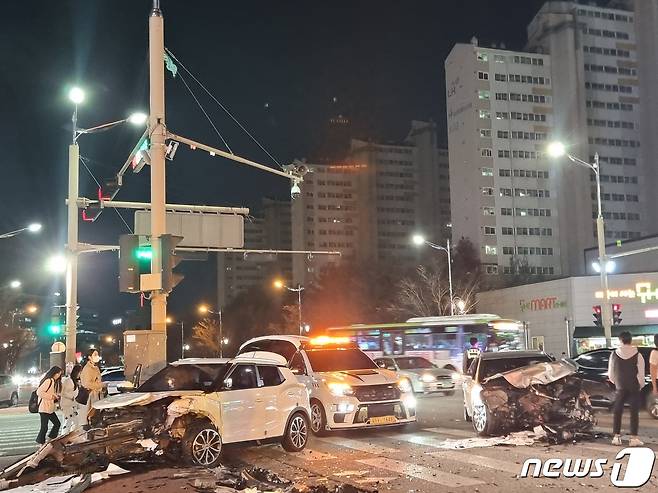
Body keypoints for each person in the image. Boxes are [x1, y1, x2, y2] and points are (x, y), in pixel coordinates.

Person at [608, 331, 645, 446]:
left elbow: (611, 374)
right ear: (630, 340)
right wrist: (640, 384)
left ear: (620, 340)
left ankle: (616, 437)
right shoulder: (638, 354)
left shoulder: (614, 354)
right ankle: (633, 438)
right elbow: (641, 373)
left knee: (617, 410)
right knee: (634, 412)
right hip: (633, 385)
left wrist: (617, 382)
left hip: (620, 386)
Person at [36, 366, 62, 444]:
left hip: (49, 408)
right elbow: (39, 392)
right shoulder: (49, 381)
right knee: (44, 427)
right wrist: (51, 397)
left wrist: (55, 396)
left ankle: (49, 440)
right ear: (55, 373)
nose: (59, 376)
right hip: (44, 408)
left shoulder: (52, 381)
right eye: (59, 374)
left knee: (56, 423)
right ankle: (41, 443)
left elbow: (48, 392)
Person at [79, 349, 103, 426]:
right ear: (90, 357)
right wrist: (101, 385)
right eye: (95, 355)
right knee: (90, 416)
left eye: (97, 354)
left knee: (95, 415)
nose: (97, 356)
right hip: (90, 395)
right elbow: (87, 383)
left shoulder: (95, 367)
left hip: (95, 394)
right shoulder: (88, 368)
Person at [60, 364, 82, 434]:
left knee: (74, 422)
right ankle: (64, 436)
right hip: (67, 405)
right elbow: (63, 392)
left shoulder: (75, 381)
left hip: (72, 405)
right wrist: (71, 397)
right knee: (68, 422)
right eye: (80, 372)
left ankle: (70, 436)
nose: (80, 374)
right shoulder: (68, 380)